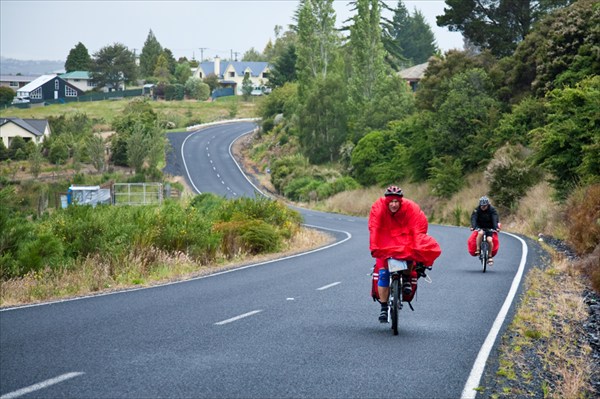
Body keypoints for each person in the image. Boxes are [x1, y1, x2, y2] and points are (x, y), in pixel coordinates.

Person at [369, 186, 442, 323]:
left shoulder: (410, 207)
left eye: (397, 201)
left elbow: (417, 227)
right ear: (386, 201)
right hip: (385, 242)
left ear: (401, 201)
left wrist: (417, 244)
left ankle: (407, 278)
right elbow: (374, 228)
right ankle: (384, 308)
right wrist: (374, 247)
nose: (394, 204)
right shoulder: (378, 208)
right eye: (391, 201)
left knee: (411, 255)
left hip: (404, 239)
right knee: (383, 273)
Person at [470, 196, 500, 264]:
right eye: (482, 206)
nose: (483, 207)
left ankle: (490, 256)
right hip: (480, 226)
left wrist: (496, 228)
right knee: (480, 233)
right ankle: (478, 249)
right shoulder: (476, 210)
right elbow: (474, 218)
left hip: (490, 227)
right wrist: (473, 227)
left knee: (489, 240)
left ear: (488, 205)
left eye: (484, 206)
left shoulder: (492, 210)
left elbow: (495, 219)